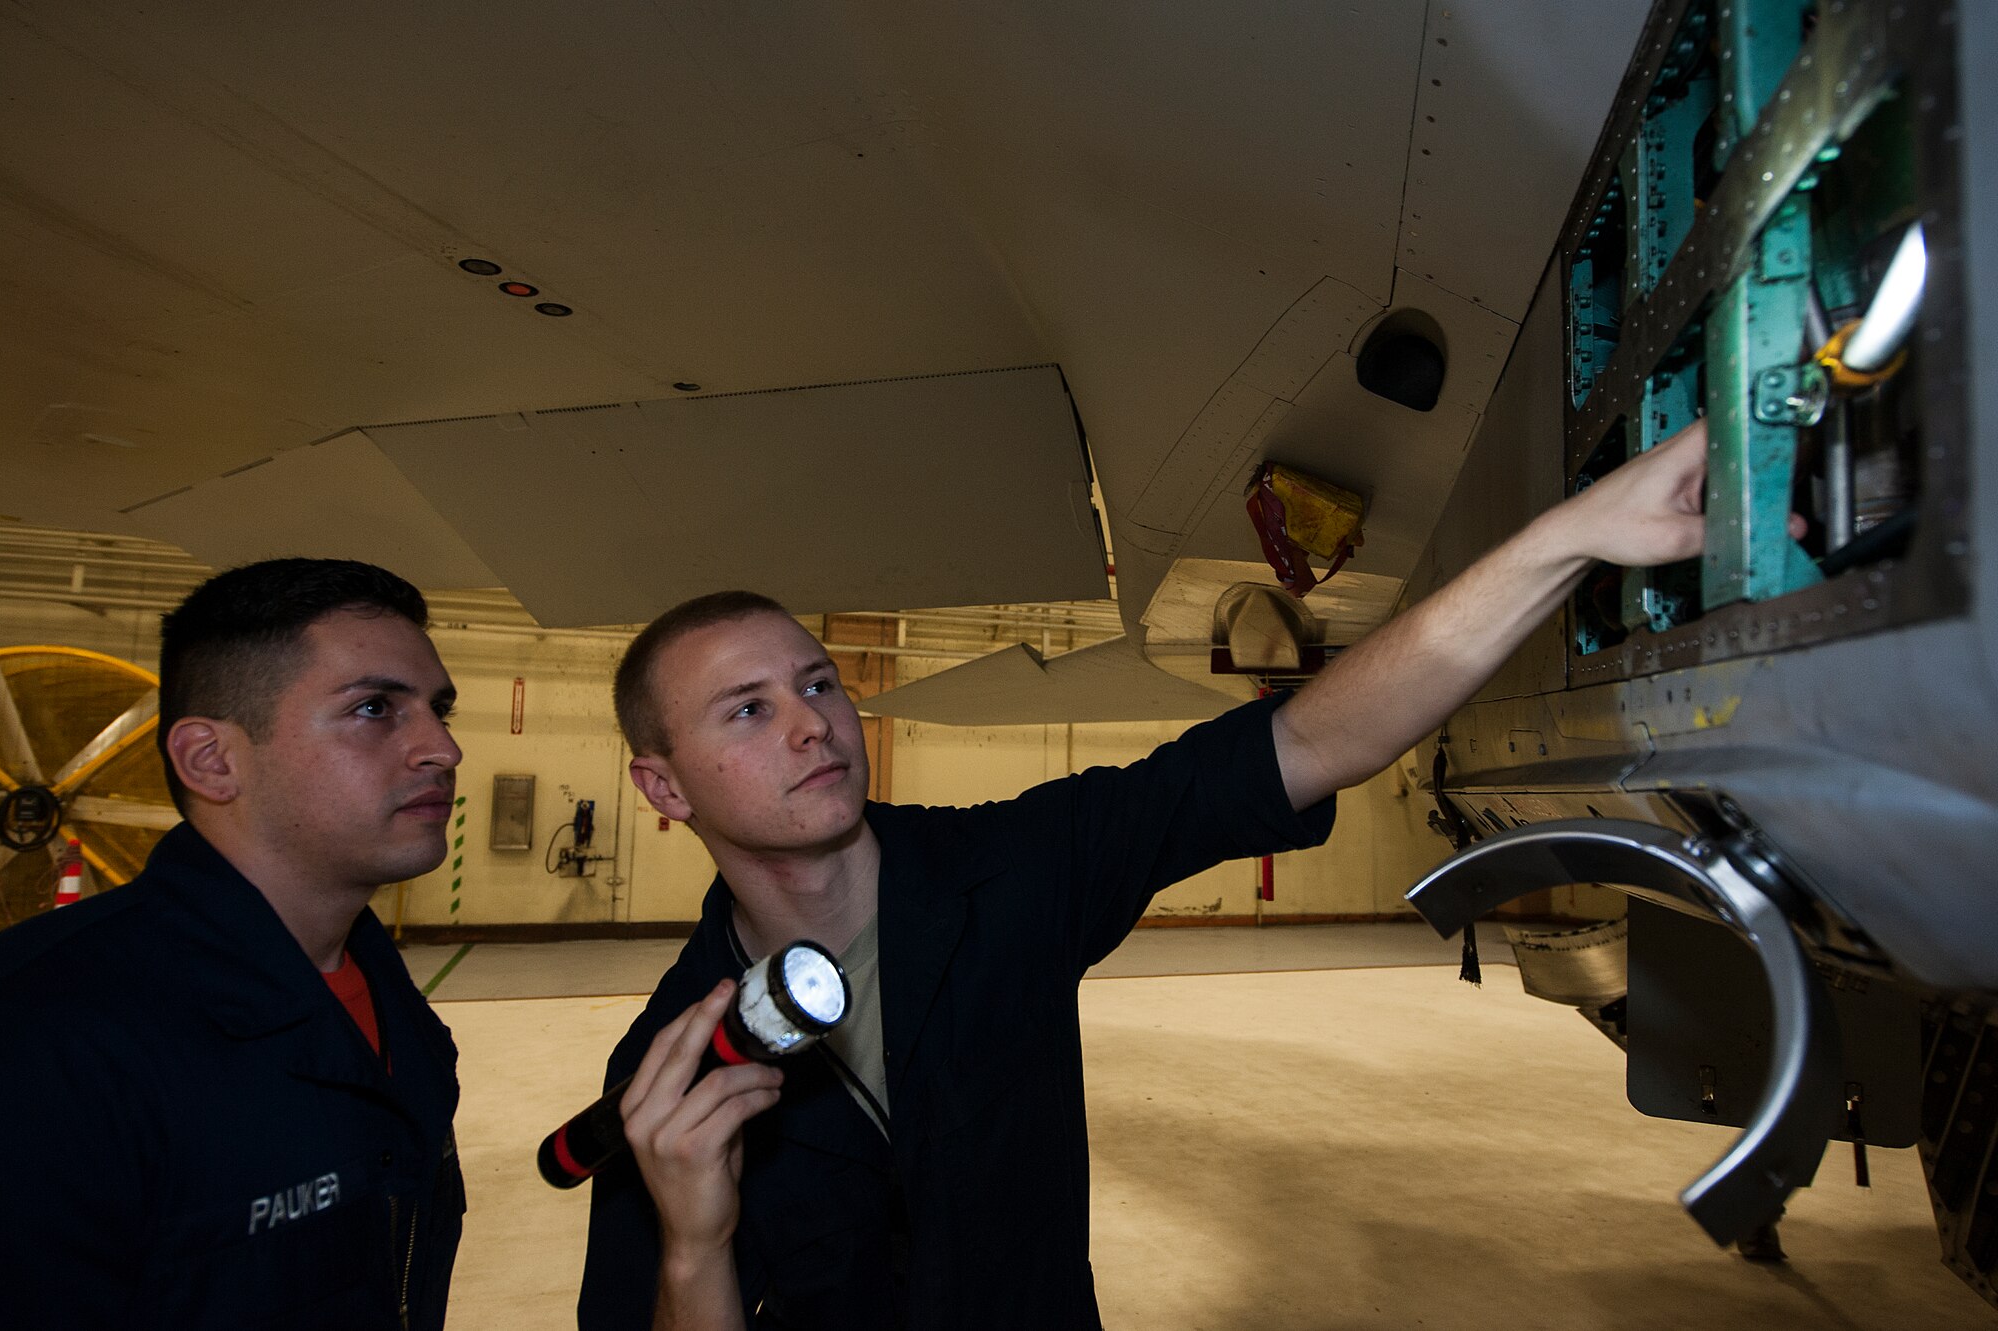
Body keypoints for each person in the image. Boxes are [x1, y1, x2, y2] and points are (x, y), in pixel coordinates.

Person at [577, 421, 1721, 1329]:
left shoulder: (1009, 875)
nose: (810, 724)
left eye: (818, 683)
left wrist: (1563, 538)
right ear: (663, 786)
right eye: (747, 709)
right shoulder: (665, 1071)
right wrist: (692, 1240)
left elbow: (1306, 744)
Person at [0, 559, 468, 1330]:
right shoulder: (42, 1041)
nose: (442, 749)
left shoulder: (395, 1010)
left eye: (438, 708)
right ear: (211, 760)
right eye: (376, 707)